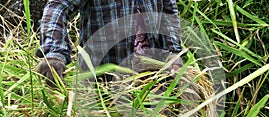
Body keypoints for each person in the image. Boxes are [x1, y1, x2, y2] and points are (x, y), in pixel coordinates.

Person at [36, 0, 184, 86]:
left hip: (149, 80)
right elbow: (58, 7)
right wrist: (54, 53)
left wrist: (173, 52)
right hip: (101, 82)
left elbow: (168, 11)